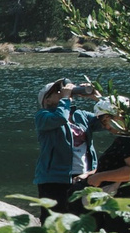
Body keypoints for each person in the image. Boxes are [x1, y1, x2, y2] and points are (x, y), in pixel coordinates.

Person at [33, 78, 95, 217]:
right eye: (58, 91)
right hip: (54, 179)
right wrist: (66, 98)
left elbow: (108, 121)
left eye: (64, 89)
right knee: (54, 225)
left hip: (83, 176)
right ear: (47, 100)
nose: (63, 92)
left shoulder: (81, 116)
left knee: (83, 222)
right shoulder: (43, 116)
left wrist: (97, 98)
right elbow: (60, 118)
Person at [83, 114, 130, 233]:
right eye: (102, 123)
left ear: (120, 116)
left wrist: (100, 177)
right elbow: (116, 164)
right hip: (121, 201)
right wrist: (91, 173)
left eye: (106, 121)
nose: (105, 127)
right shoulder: (127, 137)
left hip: (128, 202)